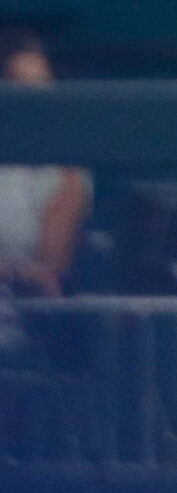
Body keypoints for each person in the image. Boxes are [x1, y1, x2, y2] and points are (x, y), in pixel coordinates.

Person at [0, 30, 89, 298]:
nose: (33, 99)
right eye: (20, 85)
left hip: (18, 316)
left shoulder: (67, 173)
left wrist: (15, 275)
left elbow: (47, 278)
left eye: (42, 85)